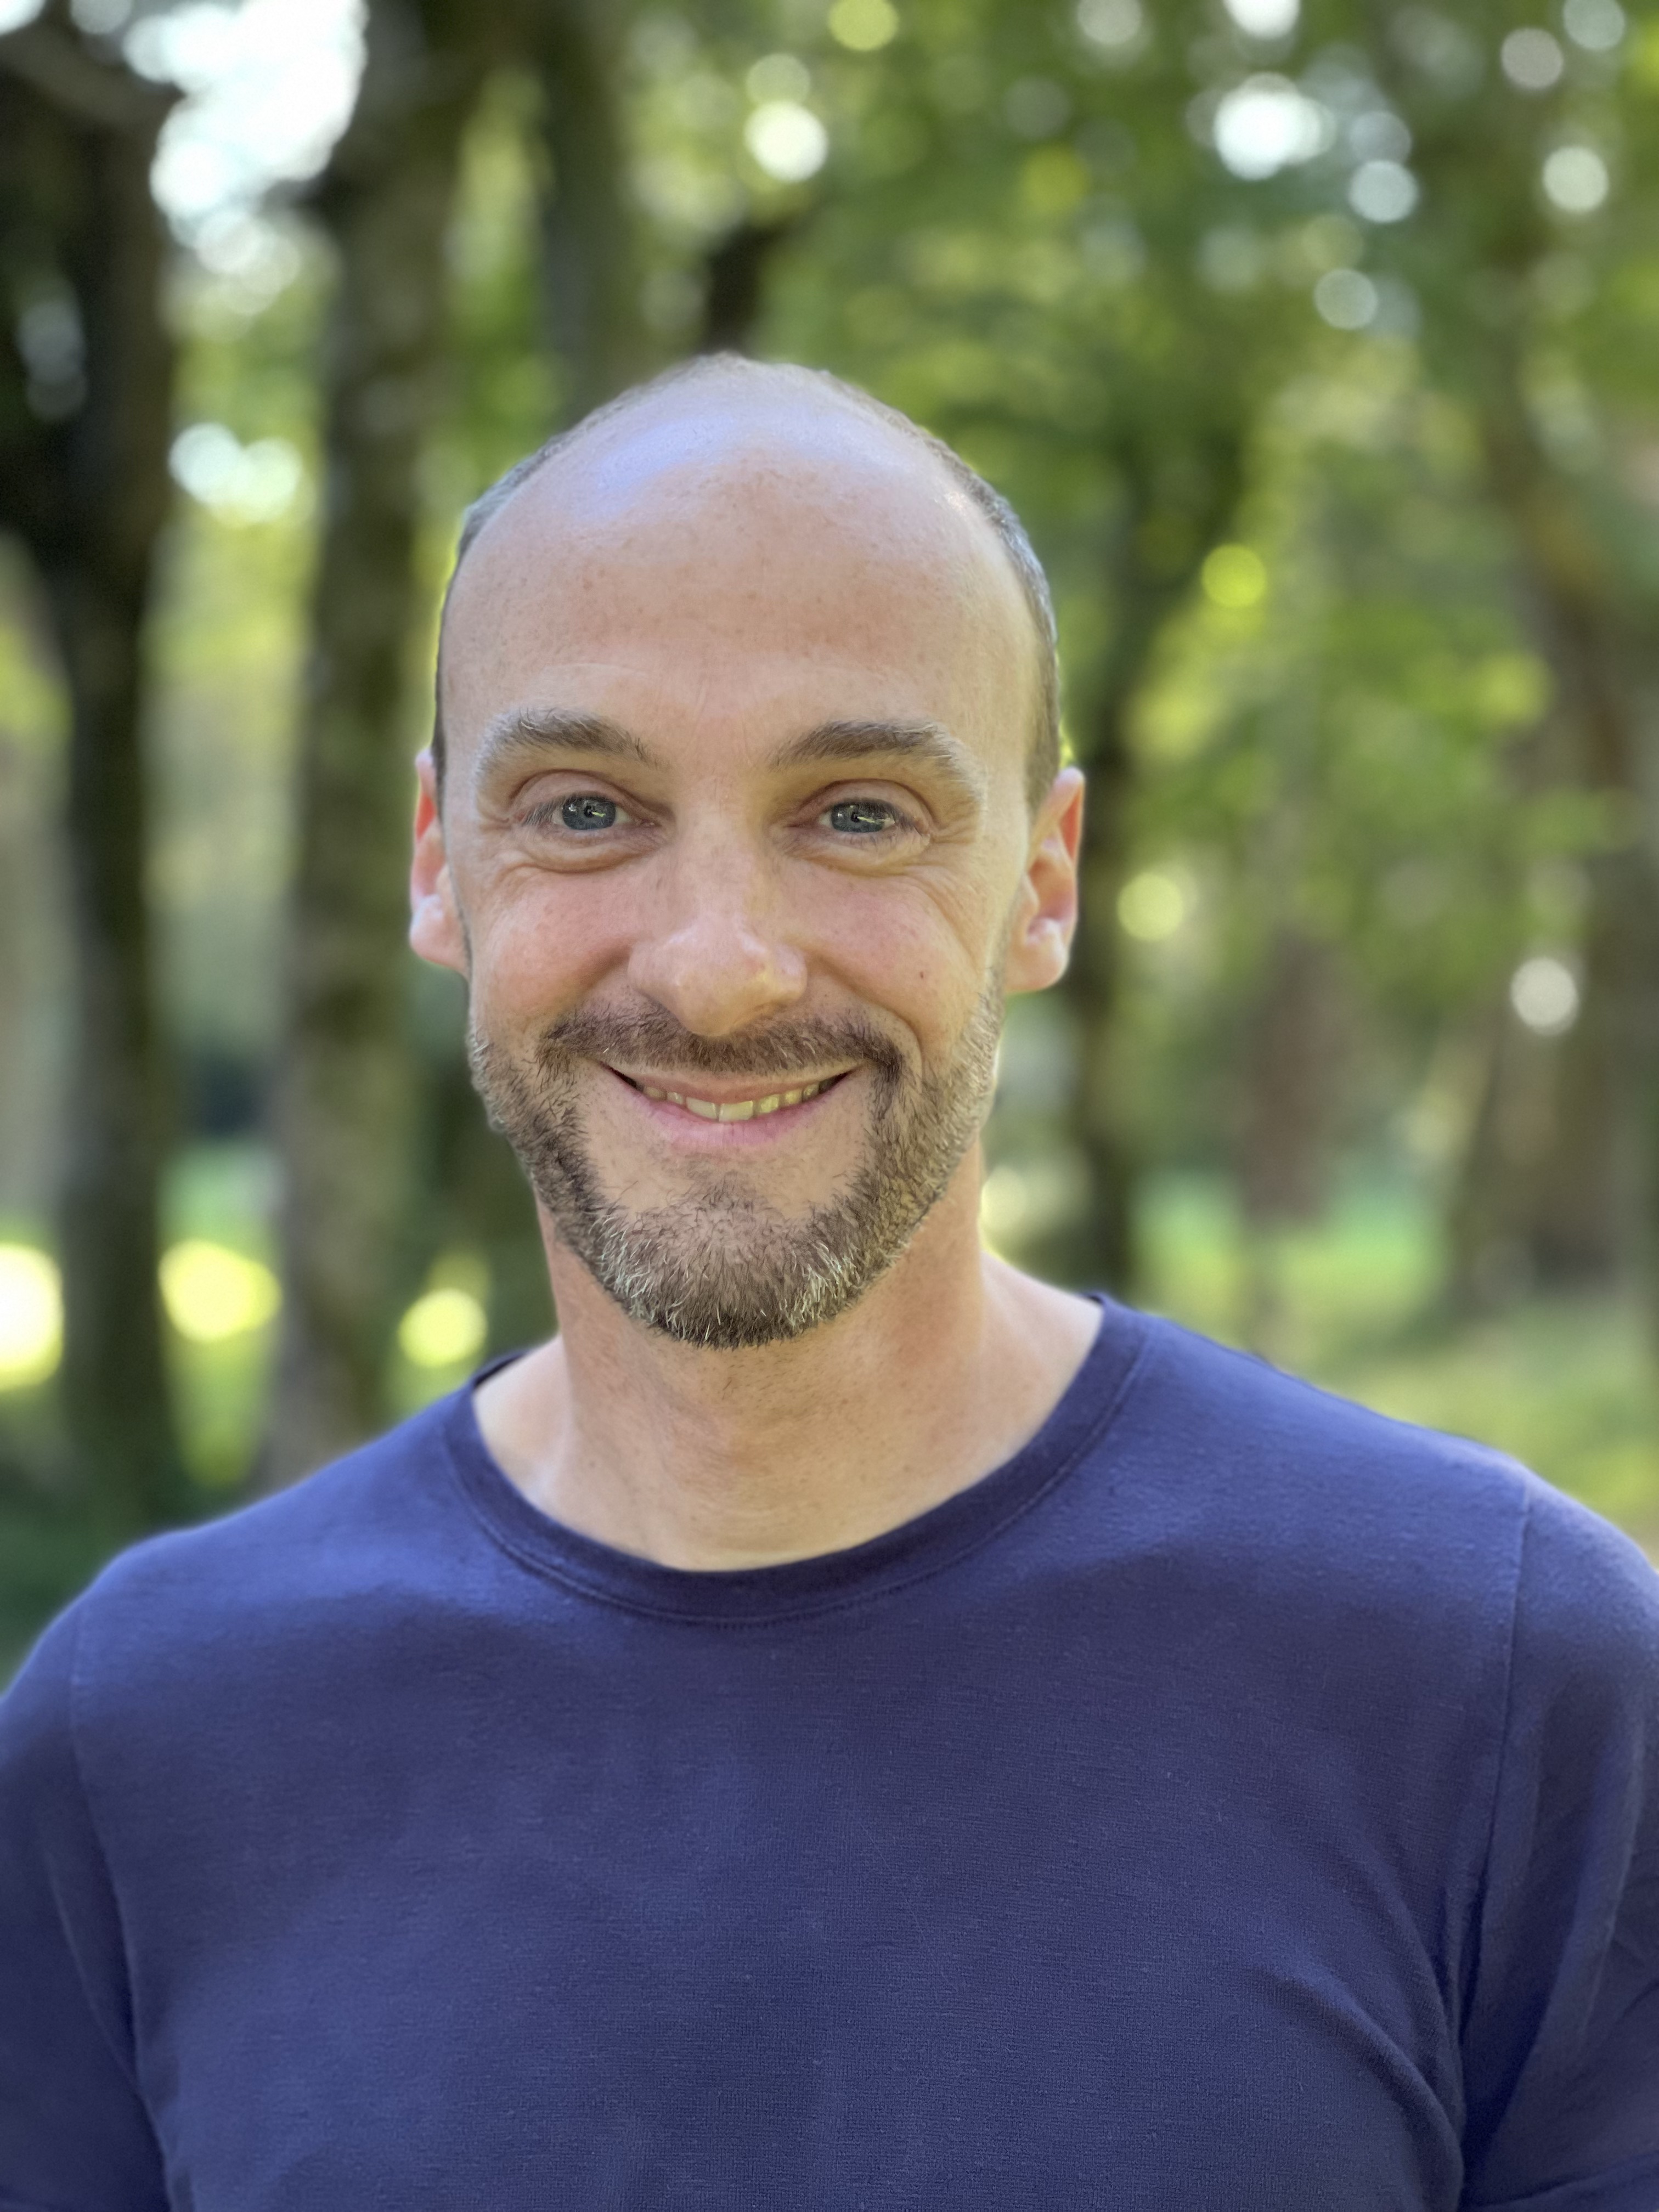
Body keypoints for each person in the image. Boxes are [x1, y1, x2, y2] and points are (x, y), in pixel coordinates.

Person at [2, 358, 1656, 2212]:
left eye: (858, 813)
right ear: (440, 862)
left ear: (1045, 881)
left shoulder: (1510, 1687)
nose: (720, 969)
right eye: (584, 808)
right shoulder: (138, 1738)